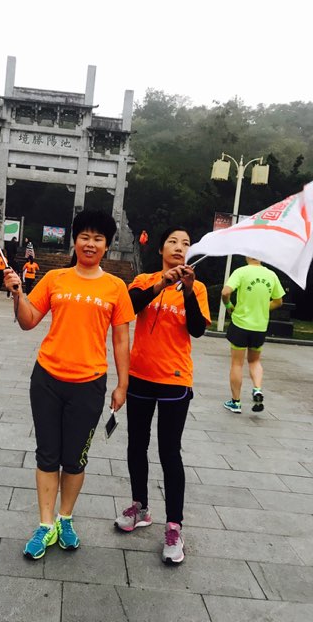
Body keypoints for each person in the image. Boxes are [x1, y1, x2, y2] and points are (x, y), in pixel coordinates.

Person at [4, 210, 135, 561]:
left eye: (98, 238)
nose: (90, 244)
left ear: (106, 245)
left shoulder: (115, 287)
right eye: (84, 237)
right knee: (47, 455)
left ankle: (65, 519)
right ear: (75, 240)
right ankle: (45, 524)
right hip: (47, 379)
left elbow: (121, 340)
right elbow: (29, 321)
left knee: (75, 459)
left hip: (89, 384)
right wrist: (18, 295)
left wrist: (122, 385)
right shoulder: (55, 278)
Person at [114, 227, 210, 566]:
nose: (179, 247)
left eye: (186, 243)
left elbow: (197, 329)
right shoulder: (144, 280)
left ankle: (174, 526)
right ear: (160, 249)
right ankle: (140, 507)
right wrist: (161, 285)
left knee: (169, 452)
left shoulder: (198, 288)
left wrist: (186, 289)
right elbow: (130, 307)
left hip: (174, 381)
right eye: (172, 241)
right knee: (136, 445)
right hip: (140, 376)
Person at [221, 257, 285, 413]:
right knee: (255, 361)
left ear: (247, 255)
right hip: (260, 326)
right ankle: (257, 389)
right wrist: (262, 308)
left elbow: (225, 292)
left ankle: (236, 402)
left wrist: (228, 304)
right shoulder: (271, 275)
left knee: (237, 364)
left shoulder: (241, 272)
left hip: (240, 324)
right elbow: (279, 301)